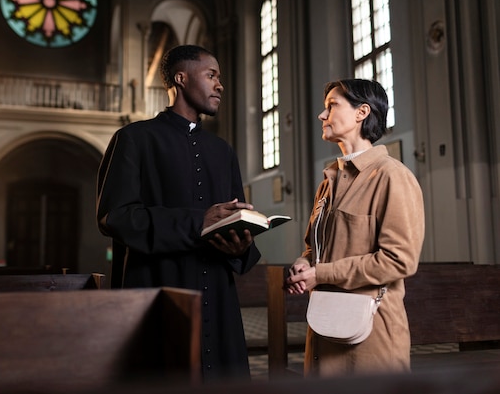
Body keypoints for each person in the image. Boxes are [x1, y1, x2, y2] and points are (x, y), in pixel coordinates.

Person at [96, 44, 262, 382]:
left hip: (217, 295)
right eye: (212, 75)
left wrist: (240, 245)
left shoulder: (222, 150)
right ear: (181, 78)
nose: (220, 85)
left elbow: (232, 218)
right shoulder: (133, 138)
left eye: (220, 78)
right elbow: (115, 216)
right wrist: (198, 221)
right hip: (158, 289)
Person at [285, 79, 425, 377]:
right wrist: (303, 264)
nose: (322, 116)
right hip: (324, 326)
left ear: (362, 112)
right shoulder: (328, 183)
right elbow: (314, 249)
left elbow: (399, 260)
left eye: (332, 106)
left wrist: (319, 274)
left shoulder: (392, 177)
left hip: (371, 337)